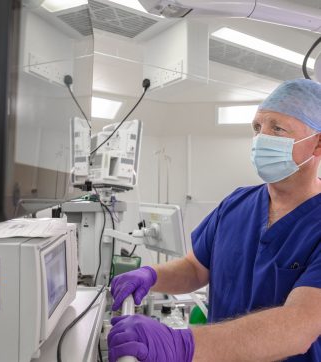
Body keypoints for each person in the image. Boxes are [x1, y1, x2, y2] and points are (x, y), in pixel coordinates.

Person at [107, 78, 321, 362]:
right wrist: (152, 276)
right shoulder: (236, 204)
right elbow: (196, 268)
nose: (261, 138)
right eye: (257, 128)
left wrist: (181, 344)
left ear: (317, 143)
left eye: (277, 128)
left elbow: (296, 327)